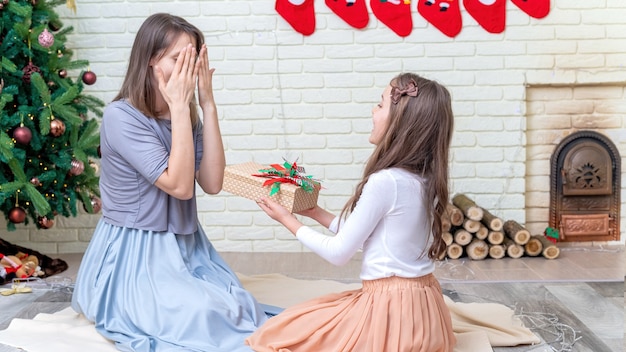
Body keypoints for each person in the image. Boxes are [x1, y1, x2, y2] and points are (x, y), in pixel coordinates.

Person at [71, 13, 273, 352]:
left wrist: (206, 105)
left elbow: (211, 182)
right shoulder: (121, 116)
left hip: (187, 245)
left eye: (192, 60)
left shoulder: (184, 114)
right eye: (178, 60)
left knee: (237, 305)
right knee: (200, 314)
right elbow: (179, 186)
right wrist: (181, 108)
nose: (188, 70)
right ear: (152, 62)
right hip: (136, 251)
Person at [246, 73, 457, 352]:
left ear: (402, 122)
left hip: (390, 311)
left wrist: (288, 221)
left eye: (380, 105)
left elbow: (339, 253)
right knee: (315, 315)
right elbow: (373, 233)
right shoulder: (424, 178)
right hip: (425, 311)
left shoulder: (386, 181)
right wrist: (316, 213)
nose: (373, 110)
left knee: (285, 330)